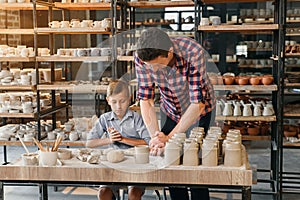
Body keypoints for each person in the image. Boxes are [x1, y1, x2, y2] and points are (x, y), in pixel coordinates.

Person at [135, 28, 216, 200]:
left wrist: (170, 137)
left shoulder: (192, 52)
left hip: (199, 111)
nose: (153, 70)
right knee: (170, 162)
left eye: (156, 65)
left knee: (195, 163)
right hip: (170, 109)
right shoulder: (142, 58)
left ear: (169, 52)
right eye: (149, 66)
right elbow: (146, 100)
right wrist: (155, 138)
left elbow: (197, 103)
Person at [86, 79, 151, 200]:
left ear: (130, 98)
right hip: (113, 165)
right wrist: (109, 140)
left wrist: (123, 139)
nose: (118, 106)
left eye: (122, 101)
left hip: (135, 165)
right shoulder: (105, 118)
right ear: (108, 101)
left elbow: (148, 142)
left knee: (134, 194)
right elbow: (90, 143)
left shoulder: (136, 118)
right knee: (103, 193)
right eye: (114, 102)